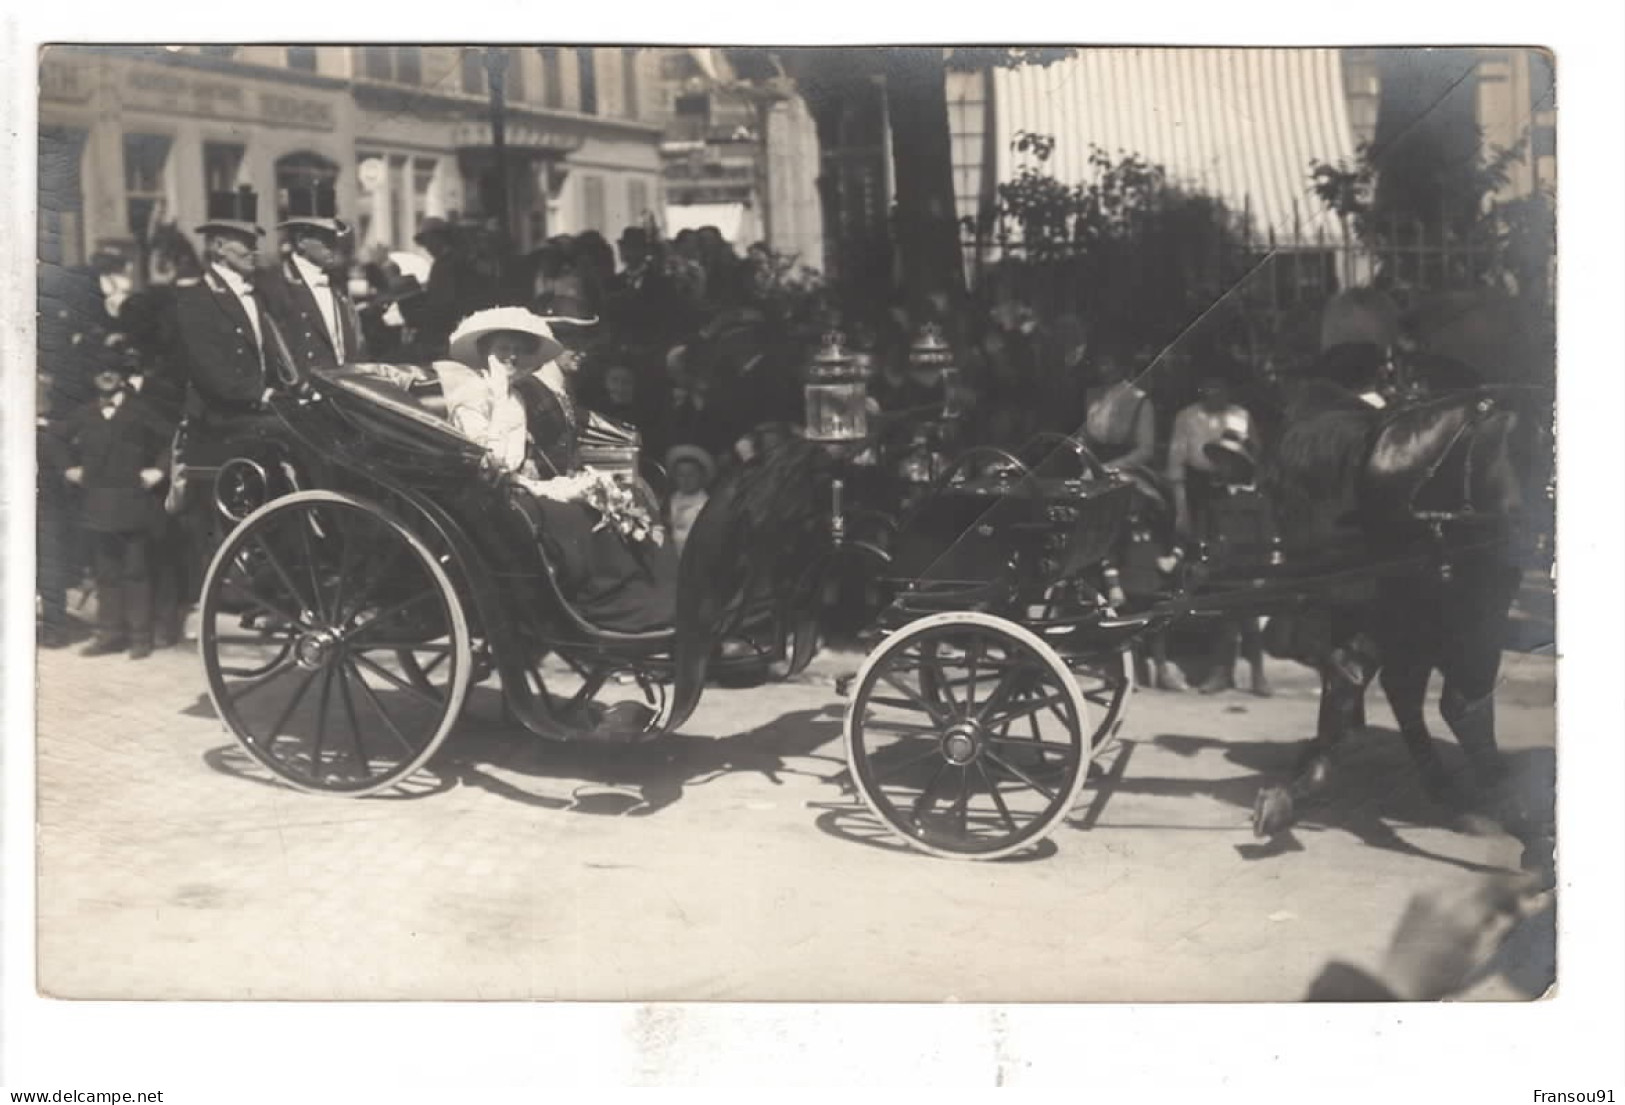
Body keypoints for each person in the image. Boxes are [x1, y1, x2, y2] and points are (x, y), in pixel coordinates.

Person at [435, 308, 678, 633]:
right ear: (484, 352)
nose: (511, 356)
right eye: (503, 349)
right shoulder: (473, 394)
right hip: (488, 491)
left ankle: (655, 601)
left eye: (518, 350)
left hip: (517, 484)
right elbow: (489, 458)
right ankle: (602, 606)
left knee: (621, 498)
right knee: (571, 517)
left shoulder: (516, 393)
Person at [63, 350, 175, 659]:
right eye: (100, 371)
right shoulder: (84, 413)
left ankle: (140, 636)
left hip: (133, 504)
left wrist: (159, 470)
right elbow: (57, 438)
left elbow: (172, 439)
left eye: (112, 370)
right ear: (92, 378)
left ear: (122, 376)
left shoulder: (141, 411)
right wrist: (69, 468)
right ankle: (110, 634)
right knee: (105, 572)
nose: (106, 376)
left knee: (136, 571)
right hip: (97, 504)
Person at [1168, 357, 1270, 696]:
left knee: (1250, 616)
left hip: (1247, 555)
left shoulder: (1241, 418)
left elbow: (1264, 532)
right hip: (1203, 494)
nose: (1215, 391)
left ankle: (1258, 671)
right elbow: (1178, 466)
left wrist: (1264, 565)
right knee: (1222, 611)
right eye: (1208, 385)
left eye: (1221, 385)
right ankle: (1221, 670)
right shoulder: (1188, 417)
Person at [167, 186, 296, 421]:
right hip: (220, 420)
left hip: (263, 412)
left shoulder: (260, 295)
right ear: (218, 247)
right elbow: (210, 370)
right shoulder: (197, 300)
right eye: (247, 243)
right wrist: (261, 394)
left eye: (255, 242)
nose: (255, 251)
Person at [257, 183, 367, 376]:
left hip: (347, 391)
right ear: (300, 241)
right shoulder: (275, 286)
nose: (334, 244)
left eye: (334, 236)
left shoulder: (337, 283)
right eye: (325, 237)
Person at [664, 443, 714, 553]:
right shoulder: (672, 499)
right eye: (681, 475)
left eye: (691, 474)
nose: (686, 480)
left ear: (701, 476)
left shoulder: (708, 503)